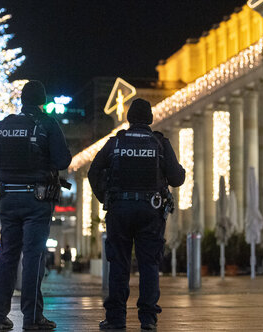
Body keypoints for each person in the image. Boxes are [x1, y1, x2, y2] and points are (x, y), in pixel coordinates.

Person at [0, 80, 71, 331]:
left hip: (8, 198)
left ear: (22, 100)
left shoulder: (4, 124)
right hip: (37, 200)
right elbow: (63, 160)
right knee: (33, 257)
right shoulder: (47, 124)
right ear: (42, 102)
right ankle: (31, 318)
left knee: (7, 255)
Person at [88, 98, 185, 331]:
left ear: (129, 119)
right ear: (150, 119)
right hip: (151, 211)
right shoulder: (159, 143)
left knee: (119, 264)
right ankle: (148, 319)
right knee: (149, 264)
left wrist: (106, 197)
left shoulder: (116, 142)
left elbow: (93, 171)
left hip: (120, 209)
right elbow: (177, 178)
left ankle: (115, 319)